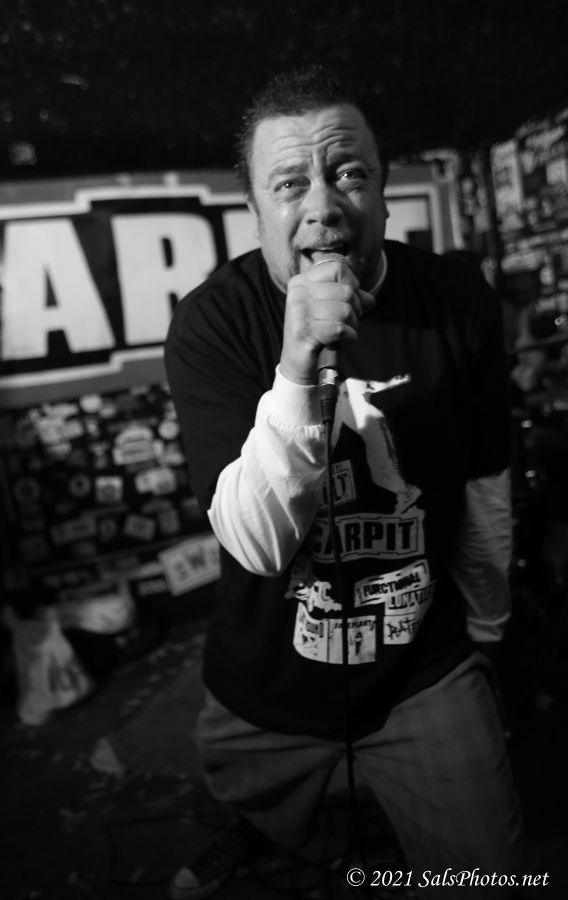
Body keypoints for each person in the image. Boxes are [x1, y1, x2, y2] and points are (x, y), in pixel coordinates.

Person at [164, 66, 542, 898]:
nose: (323, 206)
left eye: (348, 174)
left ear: (383, 194)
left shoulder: (454, 299)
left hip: (421, 668)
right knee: (267, 809)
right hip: (267, 675)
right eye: (289, 183)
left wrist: (488, 626)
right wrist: (298, 364)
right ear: (255, 210)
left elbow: (484, 479)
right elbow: (258, 545)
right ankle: (281, 832)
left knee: (487, 876)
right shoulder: (213, 321)